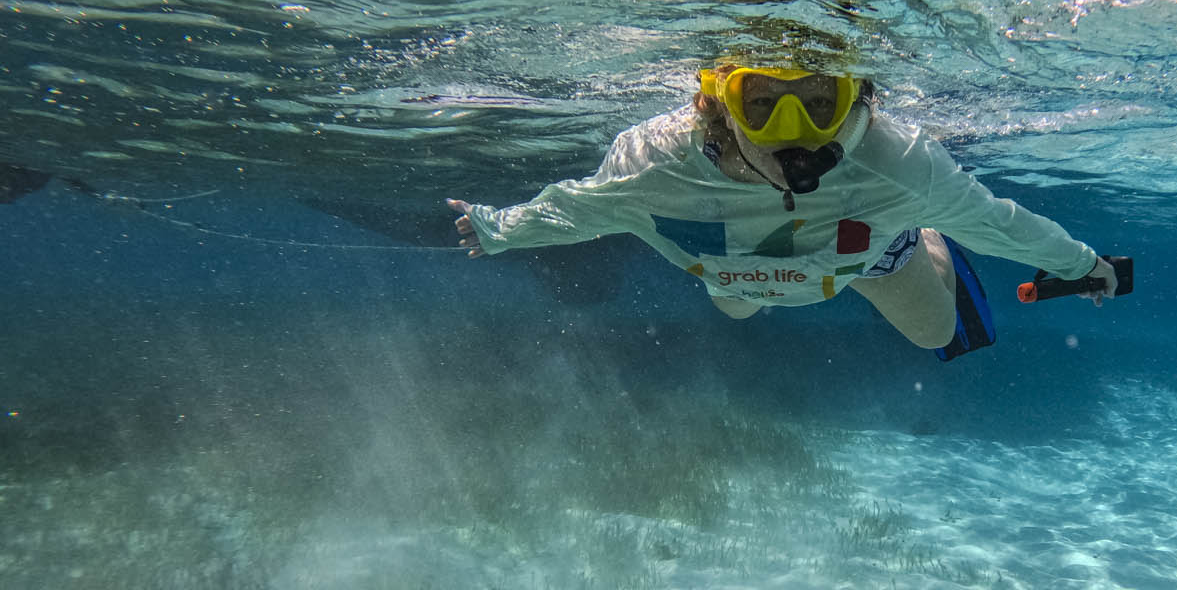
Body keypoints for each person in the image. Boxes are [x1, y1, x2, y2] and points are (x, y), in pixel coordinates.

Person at [447, 65, 1118, 356]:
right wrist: (501, 231)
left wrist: (1082, 265)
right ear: (716, 104)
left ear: (857, 100)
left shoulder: (900, 164)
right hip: (738, 267)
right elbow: (582, 208)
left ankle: (918, 236)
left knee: (936, 332)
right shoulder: (654, 160)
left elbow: (996, 222)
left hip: (868, 251)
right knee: (736, 308)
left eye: (820, 102)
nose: (795, 133)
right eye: (762, 103)